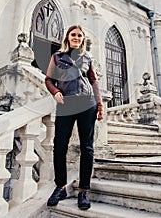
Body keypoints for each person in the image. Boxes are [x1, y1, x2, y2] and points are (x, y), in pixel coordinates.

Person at [45, 25, 104, 210]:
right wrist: (55, 91)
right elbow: (48, 79)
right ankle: (60, 186)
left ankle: (83, 190)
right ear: (68, 37)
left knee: (87, 147)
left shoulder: (87, 58)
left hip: (87, 104)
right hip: (67, 104)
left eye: (79, 35)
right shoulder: (57, 57)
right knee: (60, 146)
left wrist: (100, 104)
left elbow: (93, 80)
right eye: (73, 35)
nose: (76, 37)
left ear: (83, 39)